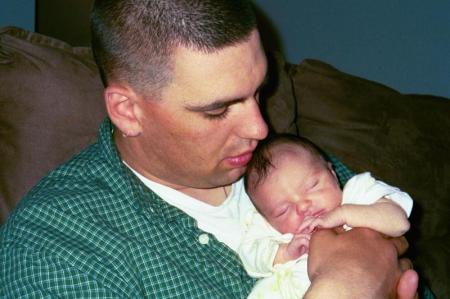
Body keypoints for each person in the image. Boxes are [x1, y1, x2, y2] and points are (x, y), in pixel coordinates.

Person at [0, 0, 418, 298]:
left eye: (258, 91)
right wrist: (348, 282)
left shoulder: (295, 166)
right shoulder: (55, 250)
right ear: (128, 111)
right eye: (218, 110)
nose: (259, 128)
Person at [239, 134, 413, 298]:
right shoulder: (272, 231)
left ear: (333, 174)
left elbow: (399, 223)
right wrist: (285, 252)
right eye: (283, 210)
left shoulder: (358, 193)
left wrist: (343, 214)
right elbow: (250, 256)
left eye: (312, 186)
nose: (303, 206)